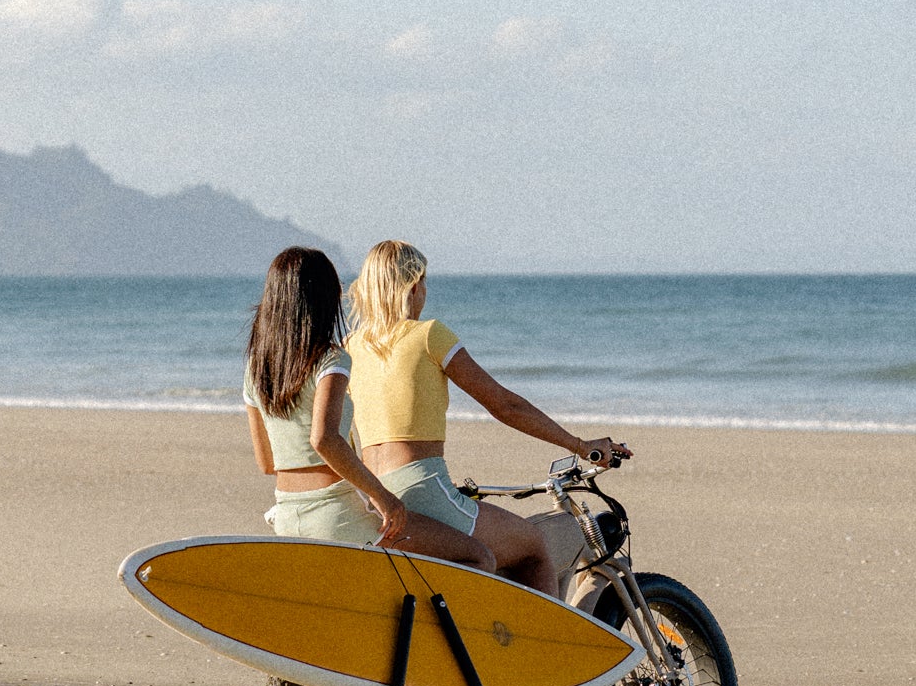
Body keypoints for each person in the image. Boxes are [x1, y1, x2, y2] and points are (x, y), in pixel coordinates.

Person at [346, 239, 631, 599]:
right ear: (414, 286)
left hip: (376, 495)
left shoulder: (351, 346)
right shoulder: (428, 334)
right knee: (533, 546)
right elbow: (505, 406)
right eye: (425, 283)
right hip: (425, 488)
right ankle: (538, 637)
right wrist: (580, 445)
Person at [243, 245, 495, 564]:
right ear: (323, 297)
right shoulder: (331, 359)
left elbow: (267, 463)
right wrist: (384, 498)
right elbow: (324, 439)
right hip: (340, 518)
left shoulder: (255, 370)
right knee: (477, 556)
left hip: (287, 517)